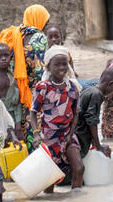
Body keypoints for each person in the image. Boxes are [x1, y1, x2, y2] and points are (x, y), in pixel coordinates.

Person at [30, 45, 84, 192]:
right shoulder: (43, 87)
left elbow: (76, 114)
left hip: (68, 135)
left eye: (64, 64)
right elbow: (33, 112)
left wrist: (70, 135)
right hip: (49, 137)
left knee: (79, 168)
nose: (61, 67)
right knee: (49, 179)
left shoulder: (73, 87)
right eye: (57, 64)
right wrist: (36, 134)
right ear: (48, 66)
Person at [0, 4, 51, 153]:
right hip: (32, 94)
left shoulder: (13, 34)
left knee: (18, 135)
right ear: (38, 19)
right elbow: (41, 71)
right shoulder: (39, 38)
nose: (46, 24)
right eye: (45, 20)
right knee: (36, 134)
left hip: (14, 94)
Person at [76, 68, 113, 158]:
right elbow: (92, 121)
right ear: (111, 84)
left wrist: (94, 143)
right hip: (79, 138)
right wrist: (98, 146)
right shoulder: (97, 94)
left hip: (75, 135)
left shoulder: (89, 89)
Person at [0, 43, 22, 139]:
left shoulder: (14, 78)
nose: (3, 58)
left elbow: (17, 104)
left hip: (13, 118)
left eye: (6, 55)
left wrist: (18, 123)